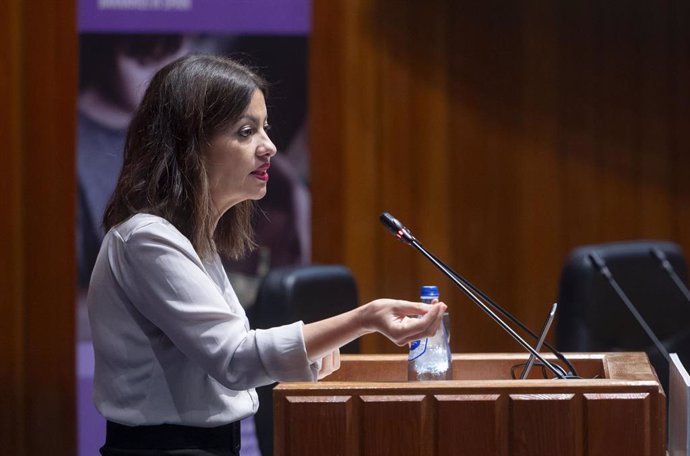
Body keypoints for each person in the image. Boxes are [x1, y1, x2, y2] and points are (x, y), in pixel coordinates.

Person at [87, 54, 447, 456]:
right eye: (246, 131)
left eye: (265, 128)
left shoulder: (192, 240)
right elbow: (236, 359)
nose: (270, 147)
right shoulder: (146, 239)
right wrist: (364, 319)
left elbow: (225, 363)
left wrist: (312, 346)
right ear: (189, 144)